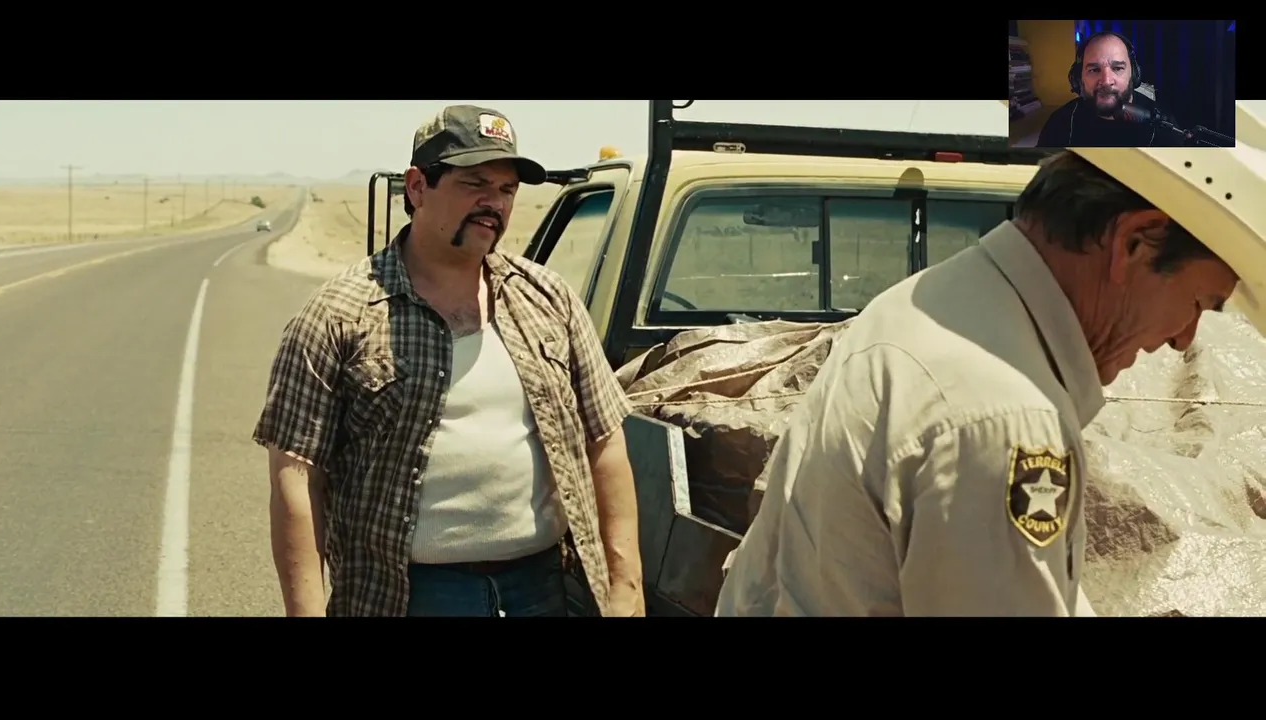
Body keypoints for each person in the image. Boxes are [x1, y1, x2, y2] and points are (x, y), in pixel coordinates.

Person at [714, 149, 1239, 616]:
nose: (1184, 339)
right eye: (1199, 303)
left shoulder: (935, 302)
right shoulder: (1005, 415)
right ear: (1134, 243)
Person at [253, 104, 644, 617]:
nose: (493, 203)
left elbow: (605, 441)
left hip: (540, 588)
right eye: (474, 184)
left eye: (506, 190)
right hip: (407, 596)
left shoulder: (549, 299)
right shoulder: (338, 315)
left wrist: (626, 587)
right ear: (418, 187)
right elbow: (297, 477)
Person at [1036, 31, 1183, 148]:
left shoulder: (1164, 127)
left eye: (1118, 68)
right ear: (1079, 78)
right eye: (1094, 70)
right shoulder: (1060, 123)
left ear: (1134, 74)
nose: (1106, 81)